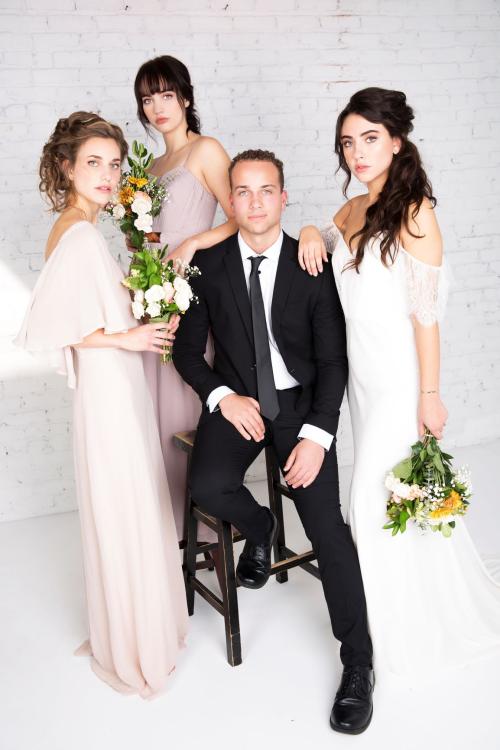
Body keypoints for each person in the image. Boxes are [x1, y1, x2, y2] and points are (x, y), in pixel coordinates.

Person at [298, 88, 500, 679]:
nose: (356, 152)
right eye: (347, 142)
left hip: (399, 379)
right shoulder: (353, 210)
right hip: (361, 376)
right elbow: (327, 250)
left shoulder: (415, 210)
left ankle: (393, 626)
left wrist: (429, 395)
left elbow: (426, 312)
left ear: (396, 141)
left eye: (368, 138)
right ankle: (388, 611)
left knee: (374, 497)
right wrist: (311, 227)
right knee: (390, 499)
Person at [173, 149, 375, 735]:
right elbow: (188, 351)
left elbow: (334, 361)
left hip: (300, 409)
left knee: (327, 530)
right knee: (209, 483)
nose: (255, 202)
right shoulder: (209, 265)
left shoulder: (310, 262)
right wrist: (223, 399)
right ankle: (260, 529)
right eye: (243, 192)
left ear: (284, 198)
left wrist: (316, 437)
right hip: (240, 399)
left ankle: (358, 663)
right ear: (229, 200)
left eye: (267, 191)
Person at [15, 112, 189, 698]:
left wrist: (145, 313)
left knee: (128, 500)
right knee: (126, 502)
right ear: (66, 167)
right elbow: (49, 325)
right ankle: (132, 642)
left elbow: (86, 314)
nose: (108, 173)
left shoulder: (84, 228)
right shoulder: (81, 232)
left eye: (115, 164)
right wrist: (128, 339)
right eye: (94, 163)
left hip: (114, 386)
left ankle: (132, 629)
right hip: (109, 389)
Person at [134, 55, 238, 541]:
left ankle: (202, 531)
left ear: (186, 98)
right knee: (155, 408)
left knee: (185, 404)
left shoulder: (206, 150)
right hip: (155, 294)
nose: (157, 107)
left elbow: (245, 218)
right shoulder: (152, 165)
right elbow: (151, 234)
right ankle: (168, 533)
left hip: (196, 293)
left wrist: (193, 241)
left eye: (166, 95)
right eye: (147, 98)